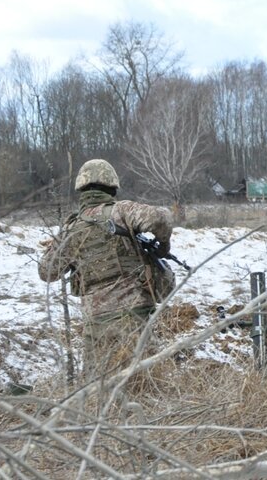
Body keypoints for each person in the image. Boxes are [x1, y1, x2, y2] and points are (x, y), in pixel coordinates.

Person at [38, 159, 174, 380]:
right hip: (134, 315)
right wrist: (163, 247)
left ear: (81, 190)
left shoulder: (71, 229)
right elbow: (161, 218)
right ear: (112, 187)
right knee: (145, 384)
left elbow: (46, 272)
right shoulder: (122, 211)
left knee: (98, 390)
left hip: (96, 323)